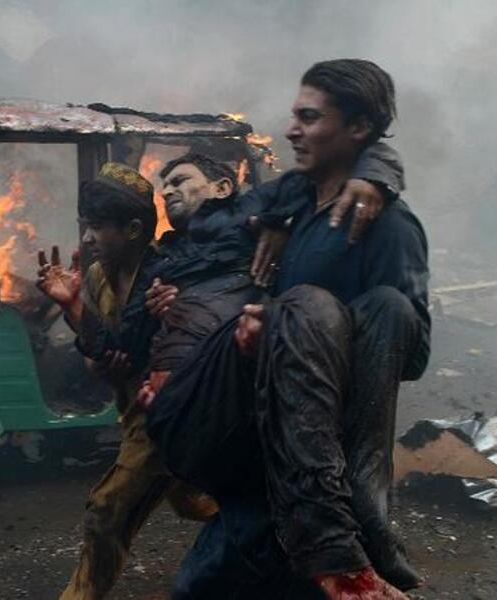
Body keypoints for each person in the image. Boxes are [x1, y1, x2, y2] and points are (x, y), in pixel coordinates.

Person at [144, 59, 428, 599]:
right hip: (263, 453)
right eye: (294, 115)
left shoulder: (388, 226)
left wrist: (294, 327)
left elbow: (409, 351)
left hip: (323, 468)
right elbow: (216, 239)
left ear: (359, 131)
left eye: (309, 117)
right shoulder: (291, 212)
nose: (292, 129)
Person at [37, 162, 218, 600]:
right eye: (86, 226)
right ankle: (257, 525)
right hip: (131, 409)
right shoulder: (97, 275)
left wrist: (82, 319)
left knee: (107, 510)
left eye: (97, 227)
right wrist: (94, 350)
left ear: (134, 229)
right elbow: (100, 348)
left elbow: (126, 344)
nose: (86, 238)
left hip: (166, 416)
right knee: (196, 500)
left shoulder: (165, 277)